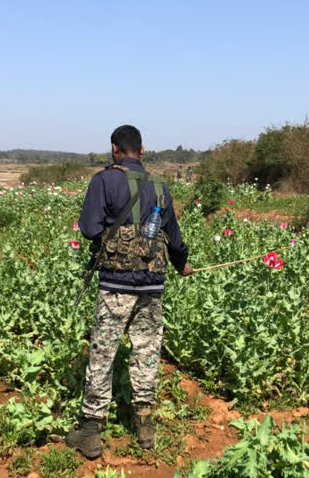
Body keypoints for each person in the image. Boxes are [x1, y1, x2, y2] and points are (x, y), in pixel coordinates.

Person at [66, 125, 193, 459]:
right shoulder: (160, 186)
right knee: (147, 351)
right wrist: (182, 265)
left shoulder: (103, 181)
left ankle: (92, 432)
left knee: (103, 353)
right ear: (143, 149)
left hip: (115, 284)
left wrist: (115, 234)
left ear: (114, 149)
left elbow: (90, 228)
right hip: (152, 285)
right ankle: (145, 425)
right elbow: (175, 239)